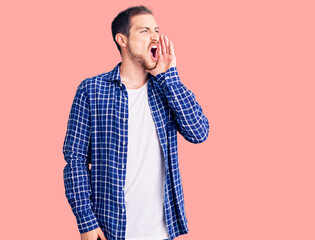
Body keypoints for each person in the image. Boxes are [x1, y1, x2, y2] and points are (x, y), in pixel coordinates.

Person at [63, 5, 209, 240]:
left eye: (157, 30)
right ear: (122, 39)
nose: (155, 37)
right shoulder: (91, 90)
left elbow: (199, 132)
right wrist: (85, 221)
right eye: (144, 31)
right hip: (111, 229)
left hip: (161, 231)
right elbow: (75, 159)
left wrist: (169, 76)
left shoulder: (167, 88)